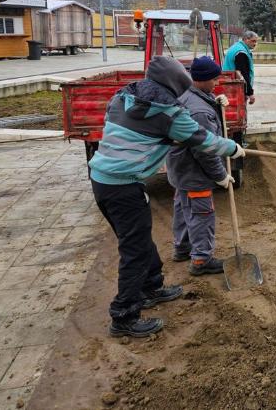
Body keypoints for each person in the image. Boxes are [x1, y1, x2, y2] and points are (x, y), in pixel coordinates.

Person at [89, 56, 246, 338]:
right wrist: (232, 148)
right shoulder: (167, 114)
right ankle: (124, 316)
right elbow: (204, 141)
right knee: (134, 252)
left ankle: (152, 287)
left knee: (141, 241)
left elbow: (156, 132)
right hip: (122, 186)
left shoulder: (123, 98)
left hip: (104, 181)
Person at [166, 56, 232, 277]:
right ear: (201, 80)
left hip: (180, 169)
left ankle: (182, 248)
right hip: (194, 171)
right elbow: (206, 149)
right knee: (201, 213)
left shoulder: (191, 95)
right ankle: (202, 260)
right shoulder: (199, 112)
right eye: (214, 79)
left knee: (184, 209)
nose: (217, 82)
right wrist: (221, 176)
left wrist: (215, 101)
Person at [223, 30, 258, 105]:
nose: (255, 44)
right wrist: (250, 93)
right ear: (246, 39)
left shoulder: (237, 47)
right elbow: (242, 74)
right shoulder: (241, 52)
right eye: (253, 41)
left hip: (229, 83)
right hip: (235, 87)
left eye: (256, 41)